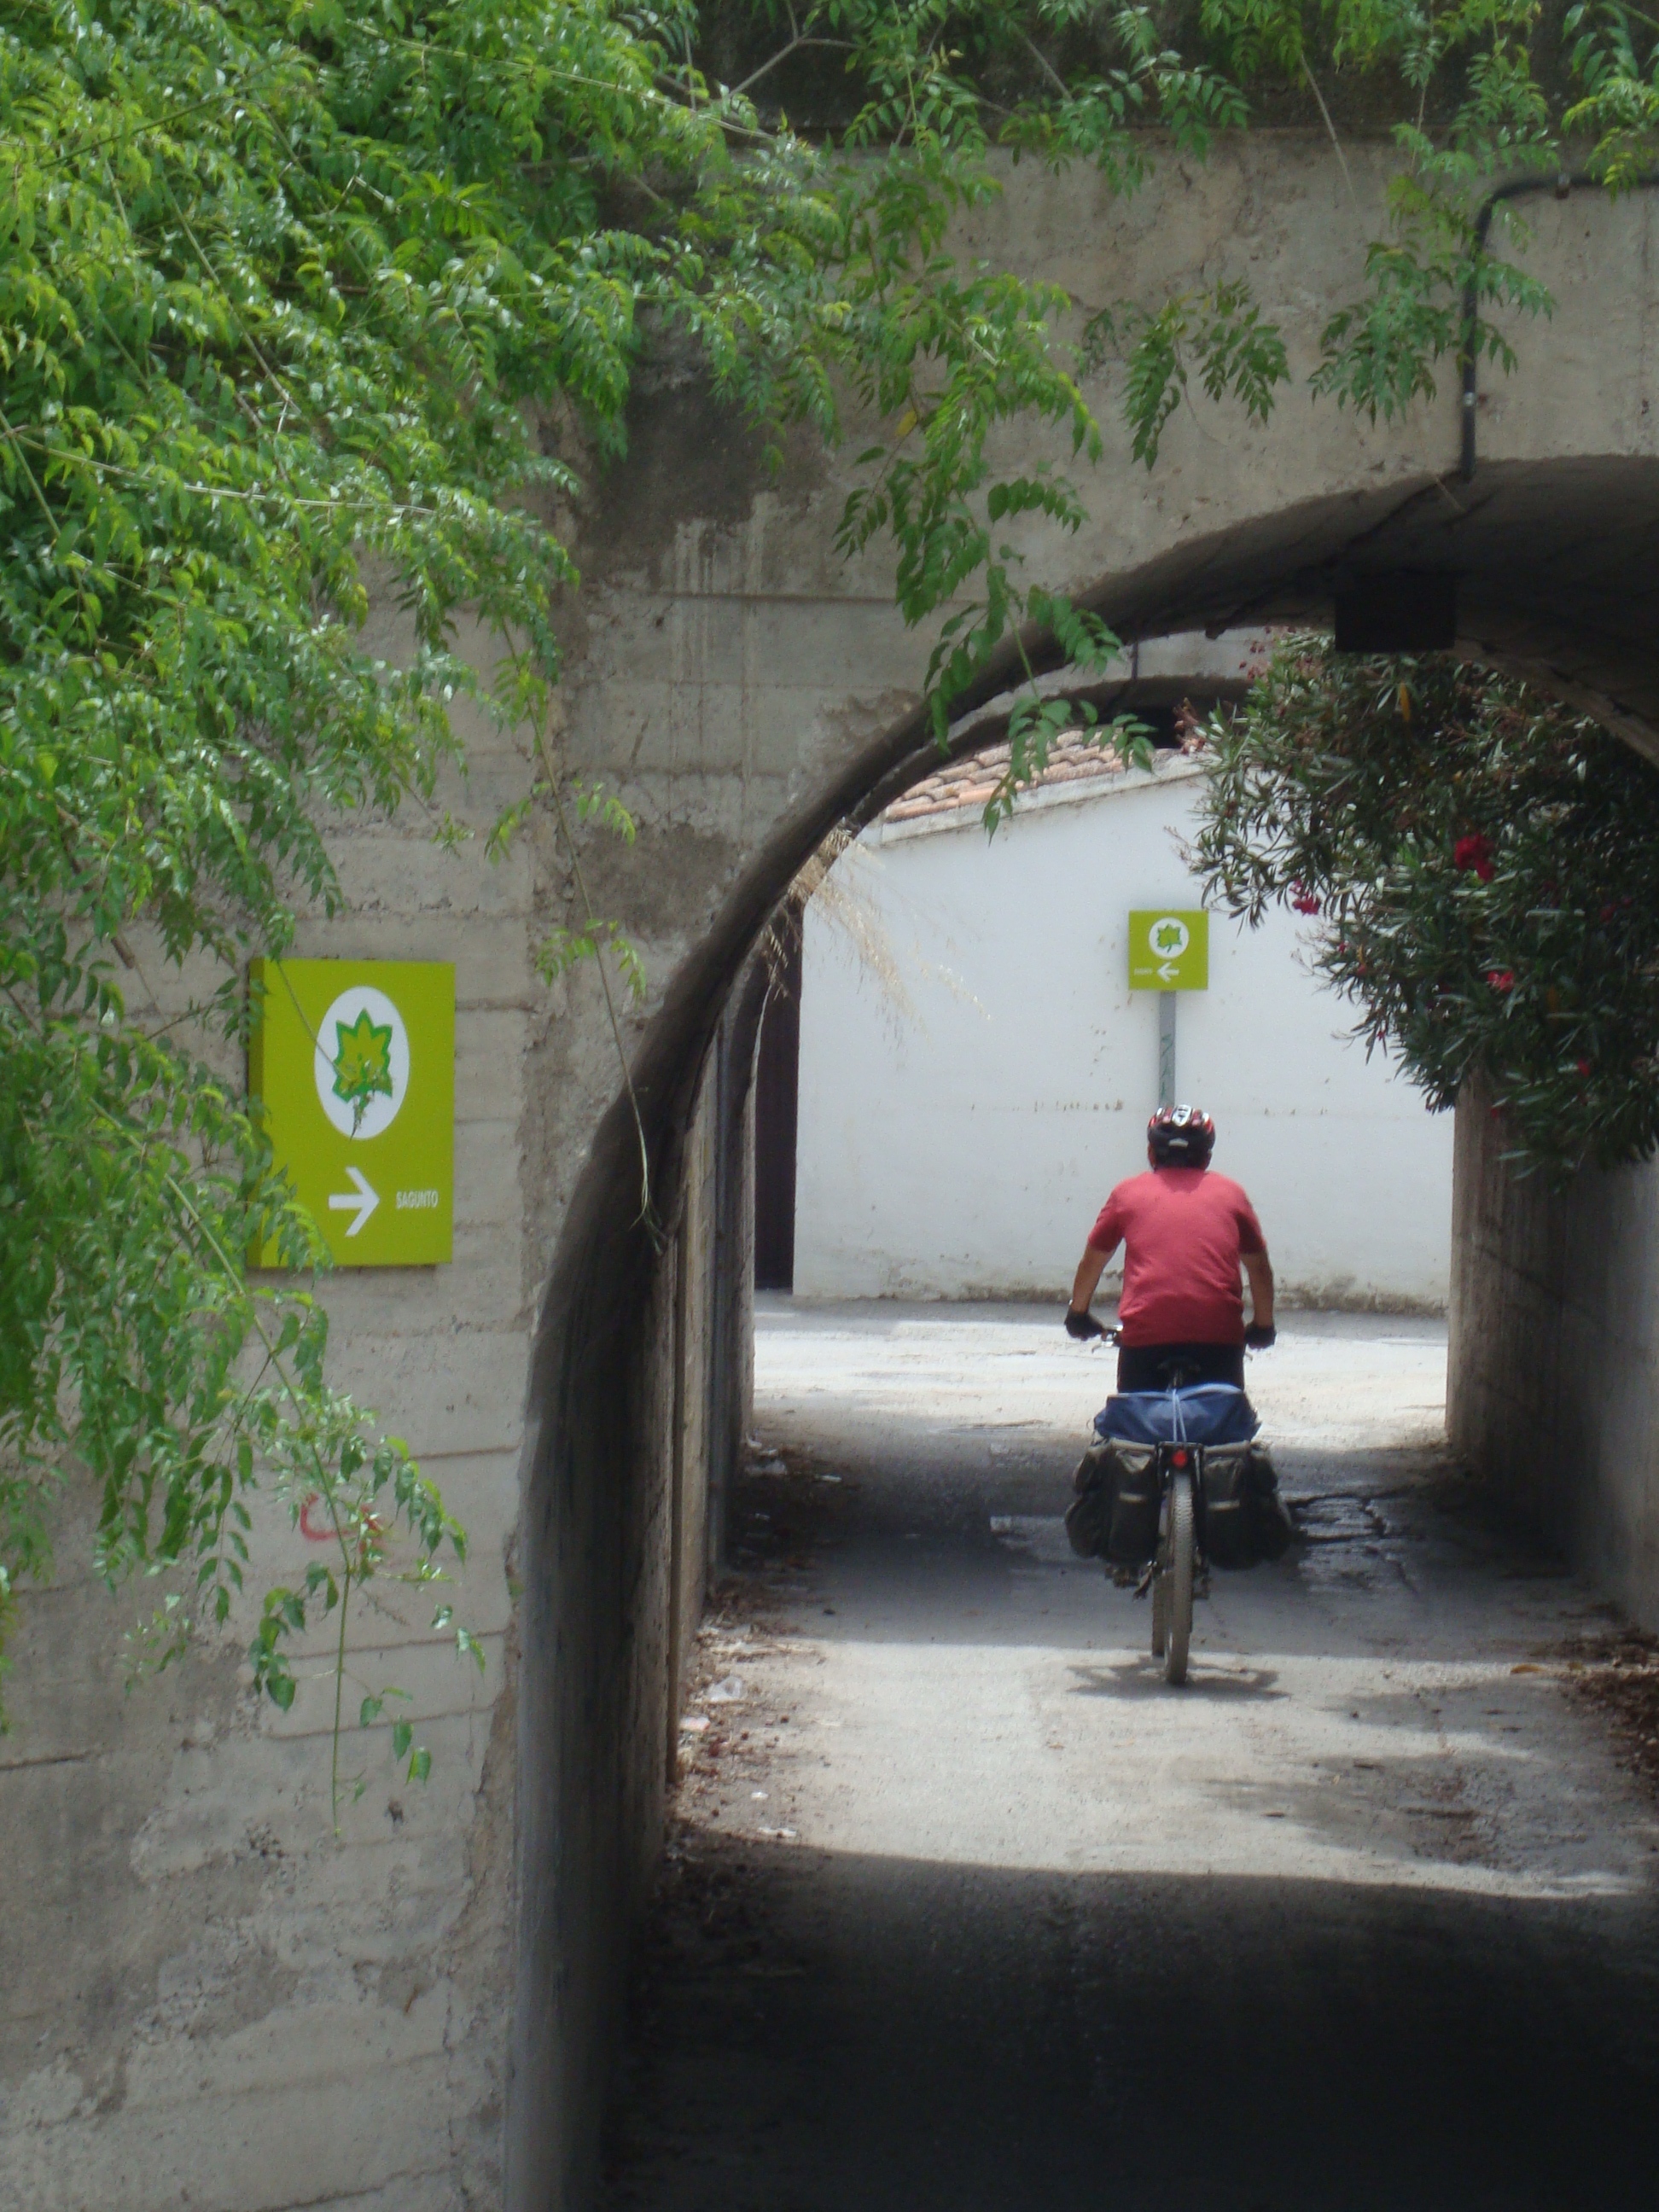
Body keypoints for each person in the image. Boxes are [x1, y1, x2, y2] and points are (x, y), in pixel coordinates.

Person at [1063, 1104, 1276, 1388]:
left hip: (1145, 1338)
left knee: (1136, 1414)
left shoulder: (1127, 1193)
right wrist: (1263, 1326)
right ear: (1207, 1158)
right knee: (1223, 1414)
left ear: (1151, 1153)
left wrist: (1078, 1315)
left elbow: (1093, 1262)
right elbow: (1259, 1268)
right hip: (1219, 1338)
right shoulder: (1232, 1194)